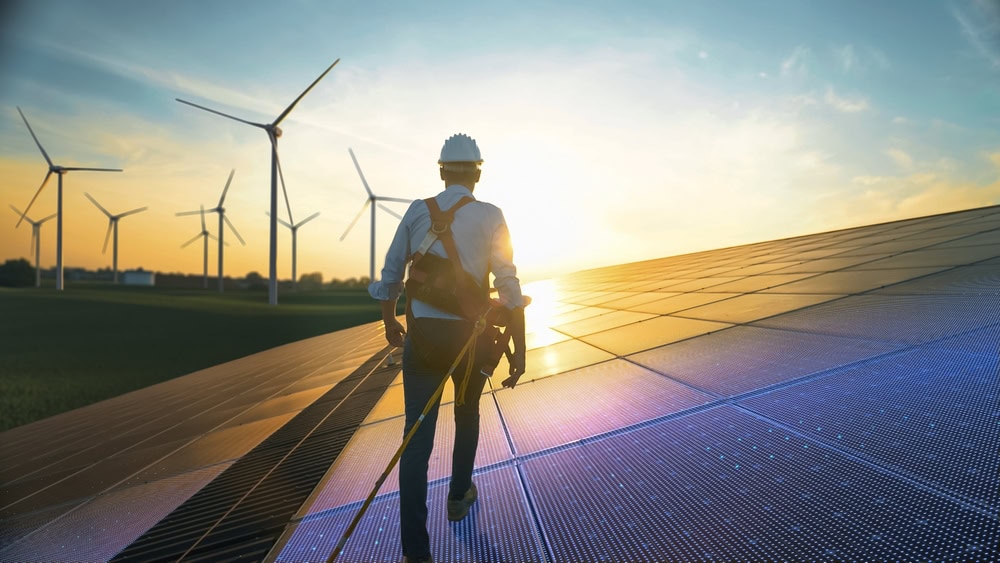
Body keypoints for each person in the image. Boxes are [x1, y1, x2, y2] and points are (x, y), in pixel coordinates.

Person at [368, 133, 527, 563]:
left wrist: (389, 324)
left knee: (415, 442)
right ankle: (458, 496)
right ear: (478, 172)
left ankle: (416, 553)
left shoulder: (418, 211)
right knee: (466, 412)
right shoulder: (492, 215)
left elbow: (389, 274)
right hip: (470, 340)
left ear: (441, 171)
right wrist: (519, 348)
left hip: (421, 339)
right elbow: (508, 286)